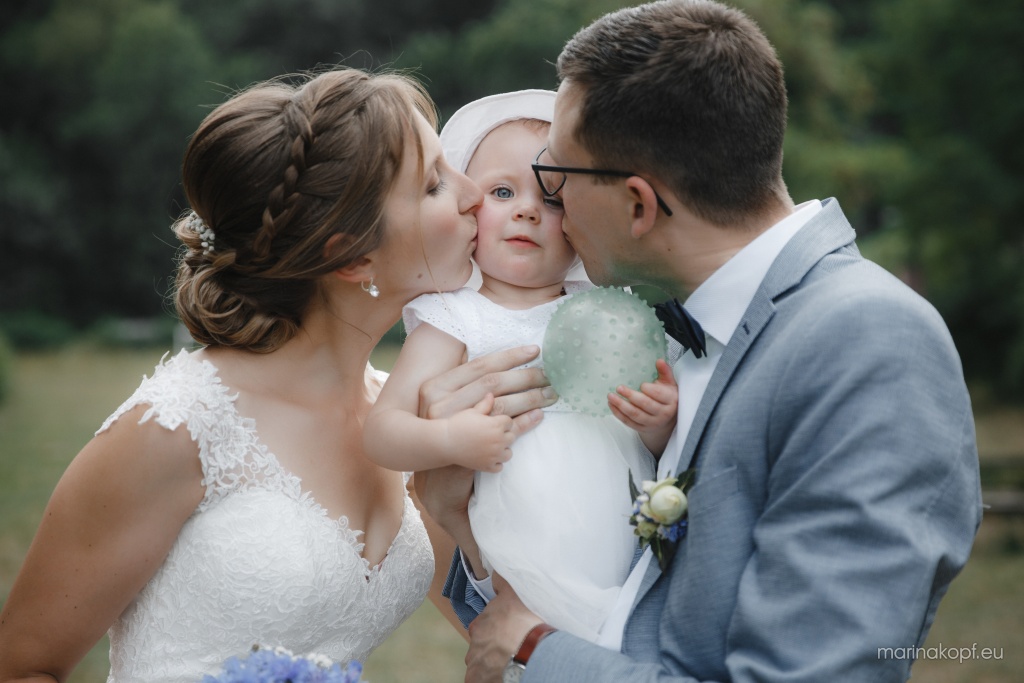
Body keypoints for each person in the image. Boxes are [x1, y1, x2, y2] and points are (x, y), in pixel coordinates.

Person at [415, 1, 984, 681]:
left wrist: (539, 648)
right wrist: (454, 514)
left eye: (556, 177)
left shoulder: (871, 344)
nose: (545, 203)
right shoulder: (662, 328)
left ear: (638, 204)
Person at [0, 68, 494, 682]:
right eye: (434, 184)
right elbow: (21, 667)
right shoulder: (178, 428)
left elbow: (498, 637)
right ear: (352, 257)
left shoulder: (407, 419)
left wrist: (457, 513)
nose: (475, 193)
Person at [363, 89, 679, 642]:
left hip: (622, 533)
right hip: (520, 537)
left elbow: (654, 445)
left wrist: (656, 421)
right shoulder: (456, 317)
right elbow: (384, 431)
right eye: (503, 192)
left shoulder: (608, 311)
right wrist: (452, 440)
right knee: (541, 639)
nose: (528, 210)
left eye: (551, 199)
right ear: (468, 209)